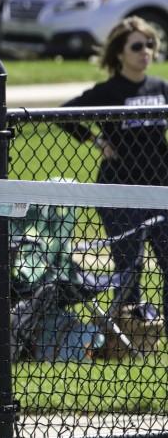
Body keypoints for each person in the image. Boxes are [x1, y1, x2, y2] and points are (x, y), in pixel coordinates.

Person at [59, 16, 168, 323]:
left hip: (160, 187)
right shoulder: (108, 91)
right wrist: (96, 140)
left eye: (150, 45)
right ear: (120, 53)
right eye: (137, 46)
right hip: (119, 190)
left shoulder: (161, 87)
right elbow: (63, 113)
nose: (145, 51)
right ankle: (129, 330)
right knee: (130, 265)